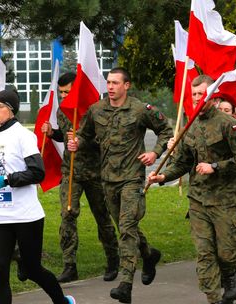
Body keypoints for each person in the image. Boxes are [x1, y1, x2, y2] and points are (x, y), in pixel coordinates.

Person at [148, 75, 236, 304]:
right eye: (193, 94)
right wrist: (163, 175)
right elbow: (184, 161)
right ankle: (214, 300)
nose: (197, 99)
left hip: (227, 201)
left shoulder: (229, 124)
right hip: (198, 201)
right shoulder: (191, 125)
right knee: (205, 256)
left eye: (201, 94)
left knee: (228, 255)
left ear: (213, 96)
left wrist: (216, 167)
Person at [67, 67, 172, 303]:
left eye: (115, 83)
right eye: (108, 82)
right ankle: (148, 254)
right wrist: (77, 143)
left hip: (132, 178)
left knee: (126, 228)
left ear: (127, 85)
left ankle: (125, 284)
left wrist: (155, 153)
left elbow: (166, 130)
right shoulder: (96, 110)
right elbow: (84, 135)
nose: (111, 87)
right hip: (108, 179)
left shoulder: (139, 109)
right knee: (127, 228)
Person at [0, 89, 76, 304]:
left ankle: (62, 301)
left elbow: (37, 172)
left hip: (26, 216)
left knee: (33, 269)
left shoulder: (23, 135)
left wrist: (6, 180)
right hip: (0, 216)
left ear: (11, 110)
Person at [41, 72, 119, 283]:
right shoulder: (61, 111)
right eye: (61, 92)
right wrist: (52, 133)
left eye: (68, 92)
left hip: (95, 172)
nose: (64, 96)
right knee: (68, 214)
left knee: (102, 216)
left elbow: (104, 142)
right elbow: (63, 135)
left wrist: (82, 140)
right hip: (71, 171)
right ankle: (69, 265)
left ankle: (113, 259)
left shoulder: (96, 110)